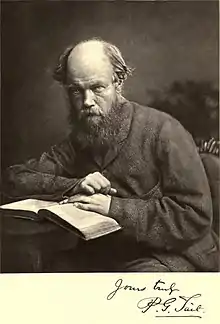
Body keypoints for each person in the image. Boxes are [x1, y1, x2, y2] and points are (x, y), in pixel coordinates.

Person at [2, 39, 219, 272]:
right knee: (49, 275)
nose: (86, 102)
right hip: (107, 254)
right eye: (76, 90)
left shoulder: (164, 130)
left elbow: (194, 217)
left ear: (118, 82)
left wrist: (112, 207)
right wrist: (74, 185)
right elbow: (13, 179)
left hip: (172, 255)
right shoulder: (80, 139)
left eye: (97, 88)